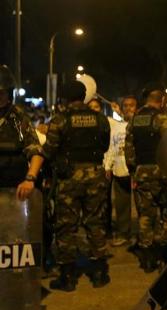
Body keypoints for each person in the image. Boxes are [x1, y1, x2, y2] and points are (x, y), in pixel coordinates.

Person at [42, 80, 111, 291]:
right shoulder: (100, 119)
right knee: (96, 223)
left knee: (66, 227)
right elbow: (104, 145)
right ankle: (99, 273)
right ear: (84, 96)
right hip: (95, 176)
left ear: (64, 98)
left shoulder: (60, 120)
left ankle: (68, 277)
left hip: (69, 178)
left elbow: (49, 150)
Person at [124, 84, 167, 272]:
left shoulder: (134, 120)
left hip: (142, 172)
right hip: (163, 173)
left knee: (145, 216)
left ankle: (148, 258)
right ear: (162, 100)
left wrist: (134, 169)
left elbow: (128, 150)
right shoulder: (162, 119)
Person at [0, 64, 44, 201]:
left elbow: (36, 151)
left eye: (1, 93)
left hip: (14, 190)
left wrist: (30, 179)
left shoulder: (18, 117)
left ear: (9, 93)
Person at [104, 95, 137, 246]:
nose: (129, 108)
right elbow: (112, 146)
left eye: (132, 105)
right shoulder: (116, 126)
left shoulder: (139, 124)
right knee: (122, 205)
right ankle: (124, 234)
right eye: (126, 106)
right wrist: (108, 165)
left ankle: (145, 235)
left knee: (143, 205)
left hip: (137, 171)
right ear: (122, 109)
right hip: (119, 170)